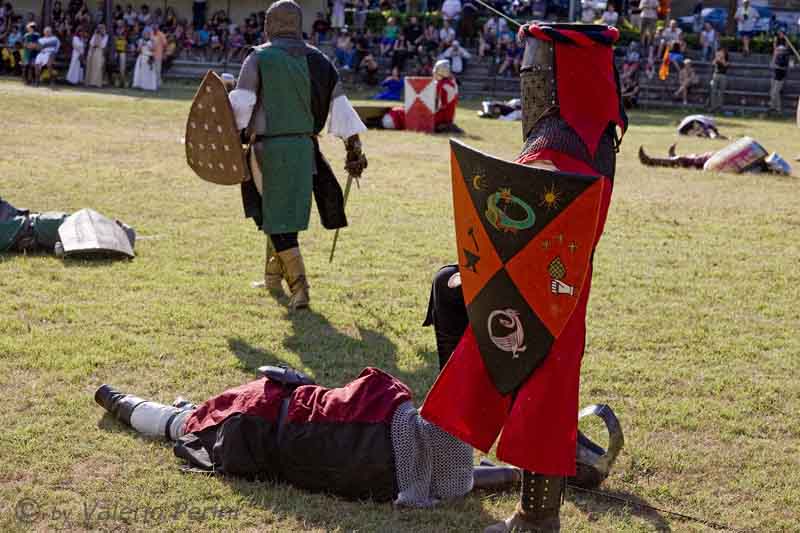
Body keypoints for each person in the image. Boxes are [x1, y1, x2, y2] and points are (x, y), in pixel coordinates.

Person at [420, 23, 627, 532]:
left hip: (534, 295)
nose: (525, 83)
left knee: (540, 397)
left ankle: (535, 519)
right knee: (547, 398)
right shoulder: (595, 137)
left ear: (562, 78)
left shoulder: (552, 150)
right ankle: (535, 513)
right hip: (562, 291)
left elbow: (522, 224)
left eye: (534, 74)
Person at [229, 0, 368, 310]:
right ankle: (271, 276)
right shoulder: (320, 61)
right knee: (280, 210)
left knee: (276, 217)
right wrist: (353, 150)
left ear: (271, 24)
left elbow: (241, 106)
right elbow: (343, 111)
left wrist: (228, 129)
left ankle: (299, 287)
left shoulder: (258, 58)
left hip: (268, 149)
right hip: (305, 149)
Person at [769, 36, 790, 113]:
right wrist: (773, 62)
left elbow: (785, 67)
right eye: (778, 49)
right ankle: (776, 108)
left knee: (774, 93)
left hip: (780, 77)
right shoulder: (776, 55)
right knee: (773, 93)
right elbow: (772, 64)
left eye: (780, 50)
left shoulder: (785, 57)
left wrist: (776, 66)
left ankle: (773, 106)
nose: (778, 50)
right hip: (774, 76)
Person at [709, 47, 729, 112]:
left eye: (722, 52)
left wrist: (722, 58)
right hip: (716, 74)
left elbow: (725, 65)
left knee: (721, 92)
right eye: (720, 51)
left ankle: (719, 107)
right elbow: (713, 63)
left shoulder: (726, 58)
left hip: (723, 76)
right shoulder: (717, 58)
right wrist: (717, 58)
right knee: (713, 91)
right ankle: (713, 107)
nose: (721, 53)